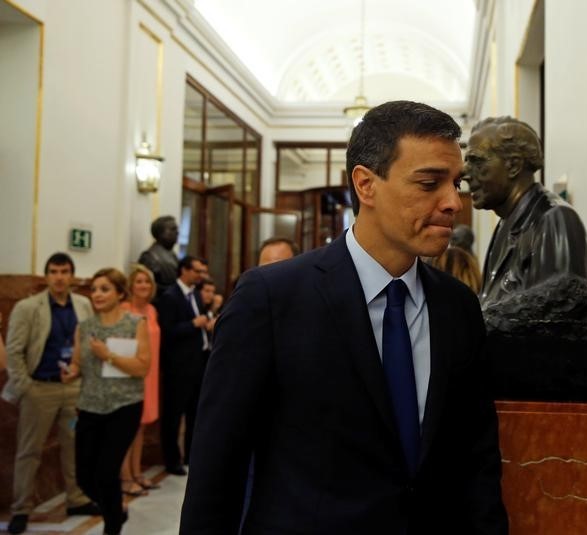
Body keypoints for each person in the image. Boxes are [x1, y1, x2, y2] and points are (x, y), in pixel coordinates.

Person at [180, 100, 507, 534]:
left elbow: (477, 460)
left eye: (456, 182)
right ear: (366, 185)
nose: (453, 202)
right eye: (429, 183)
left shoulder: (458, 307)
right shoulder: (272, 299)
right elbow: (217, 468)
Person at [463, 116, 587, 401]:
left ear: (514, 165)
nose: (465, 172)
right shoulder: (505, 226)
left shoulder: (555, 220)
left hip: (544, 399)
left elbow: (560, 318)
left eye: (477, 161)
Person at [2, 252, 100, 535]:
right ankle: (21, 508)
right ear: (46, 276)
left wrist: (82, 377)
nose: (59, 277)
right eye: (54, 271)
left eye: (65, 271)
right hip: (39, 389)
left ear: (72, 276)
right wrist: (26, 387)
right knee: (29, 451)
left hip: (71, 389)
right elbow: (14, 350)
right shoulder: (27, 307)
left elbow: (88, 344)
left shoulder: (83, 305)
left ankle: (76, 498)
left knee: (73, 446)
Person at [61, 267, 150, 535]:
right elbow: (77, 363)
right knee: (85, 478)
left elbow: (142, 367)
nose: (97, 294)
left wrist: (108, 355)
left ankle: (112, 526)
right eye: (94, 289)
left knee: (107, 471)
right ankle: (116, 510)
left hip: (124, 406)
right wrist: (71, 371)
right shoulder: (85, 327)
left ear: (120, 293)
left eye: (104, 289)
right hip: (89, 406)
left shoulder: (136, 324)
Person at [157, 255, 210, 475]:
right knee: (173, 415)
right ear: (184, 270)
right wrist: (192, 324)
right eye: (197, 271)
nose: (201, 276)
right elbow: (167, 331)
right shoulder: (170, 296)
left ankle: (190, 456)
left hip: (198, 362)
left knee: (194, 413)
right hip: (178, 367)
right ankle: (172, 460)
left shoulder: (195, 294)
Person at [119, 264, 161, 496]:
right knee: (128, 426)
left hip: (151, 374)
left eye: (147, 281)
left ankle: (137, 472)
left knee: (141, 426)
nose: (143, 285)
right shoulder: (125, 310)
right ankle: (125, 476)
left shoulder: (152, 310)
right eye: (139, 281)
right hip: (132, 375)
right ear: (130, 286)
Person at [138, 215, 180, 300]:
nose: (177, 232)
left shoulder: (172, 254)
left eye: (176, 229)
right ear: (160, 233)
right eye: (172, 229)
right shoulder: (150, 257)